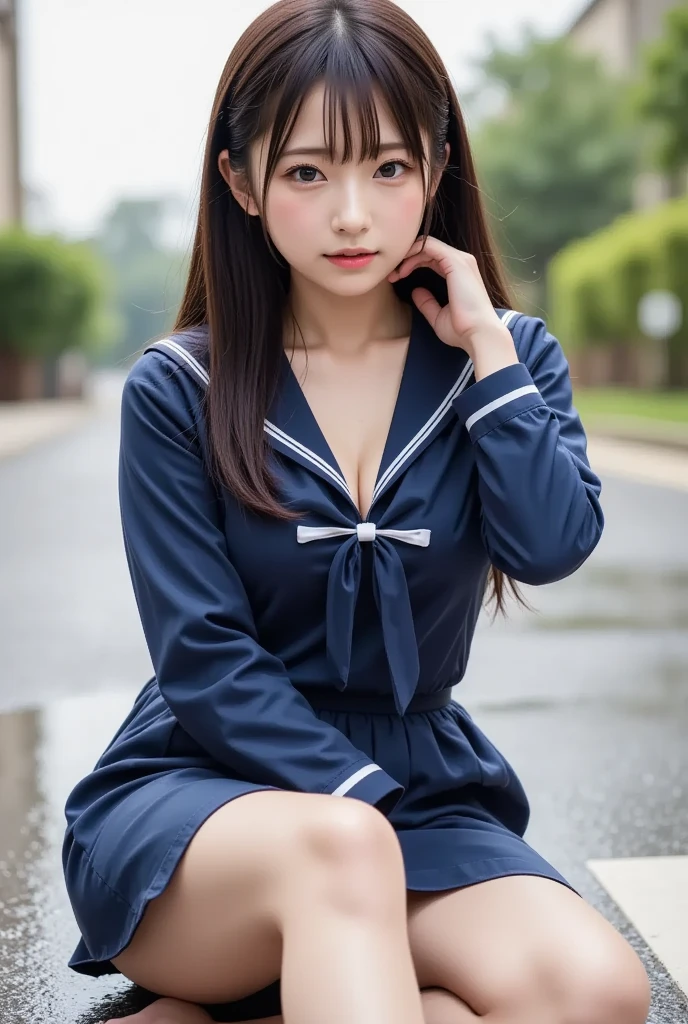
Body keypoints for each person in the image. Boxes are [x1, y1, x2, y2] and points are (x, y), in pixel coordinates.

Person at [61, 1, 652, 1022]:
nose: (351, 215)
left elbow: (551, 544)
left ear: (436, 166)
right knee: (341, 847)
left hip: (418, 788)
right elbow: (203, 657)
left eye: (386, 168)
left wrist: (487, 354)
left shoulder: (503, 358)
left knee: (592, 991)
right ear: (239, 181)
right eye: (305, 172)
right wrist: (356, 798)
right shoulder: (178, 389)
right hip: (206, 794)